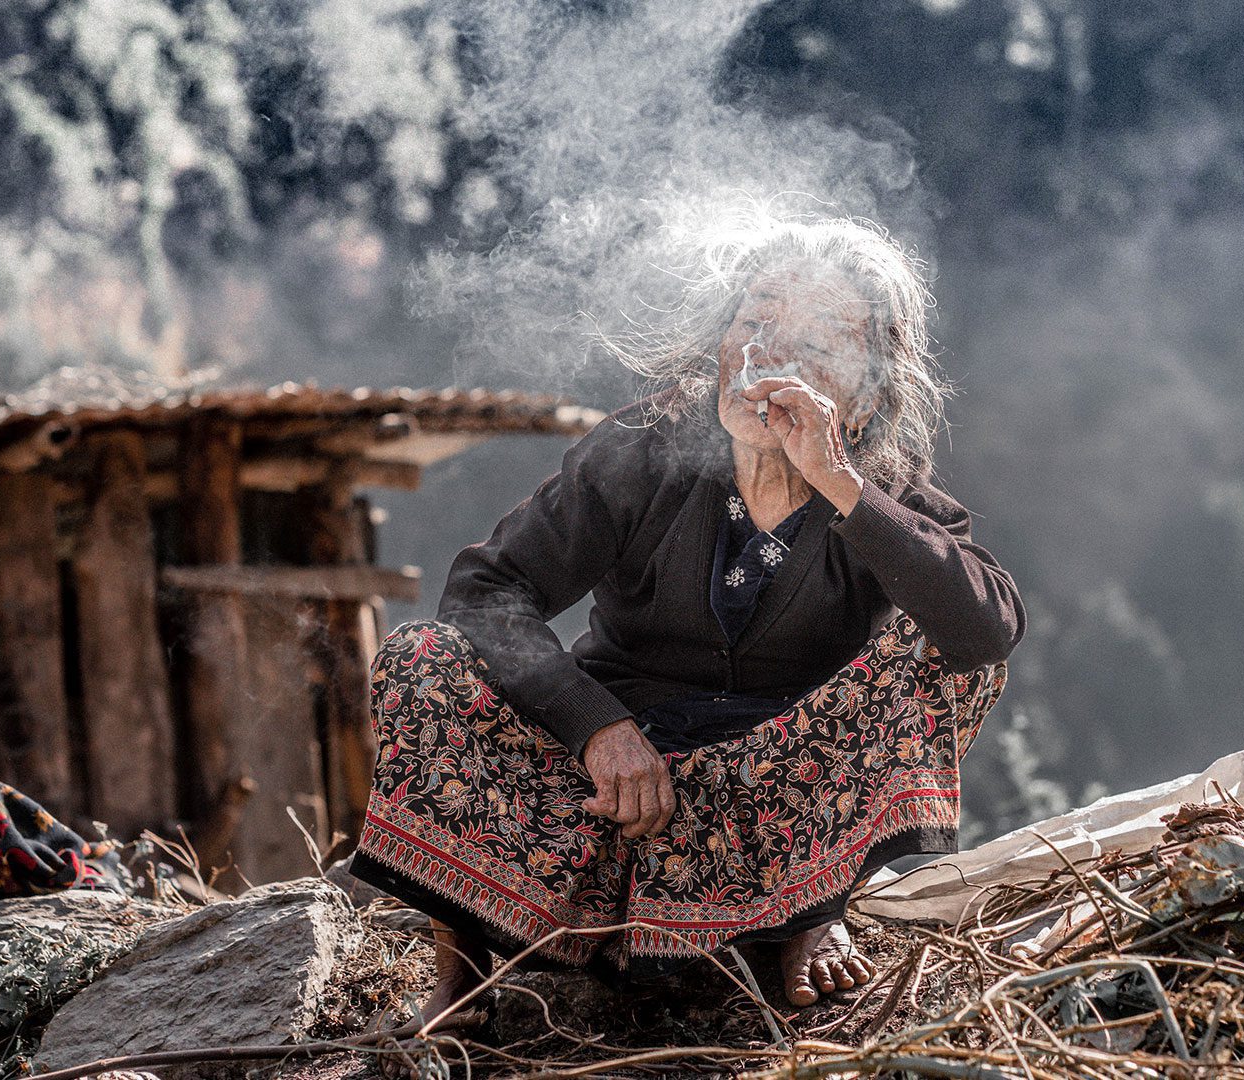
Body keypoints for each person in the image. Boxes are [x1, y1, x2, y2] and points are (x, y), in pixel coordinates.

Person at [348, 210, 1025, 1024]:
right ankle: (463, 964)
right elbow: (488, 591)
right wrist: (597, 727)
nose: (768, 354)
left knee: (946, 652)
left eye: (815, 344)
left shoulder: (884, 496)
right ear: (719, 344)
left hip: (775, 806)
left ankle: (809, 915)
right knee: (424, 657)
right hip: (609, 796)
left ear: (869, 390)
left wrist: (837, 480)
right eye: (754, 320)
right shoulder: (645, 449)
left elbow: (986, 631)